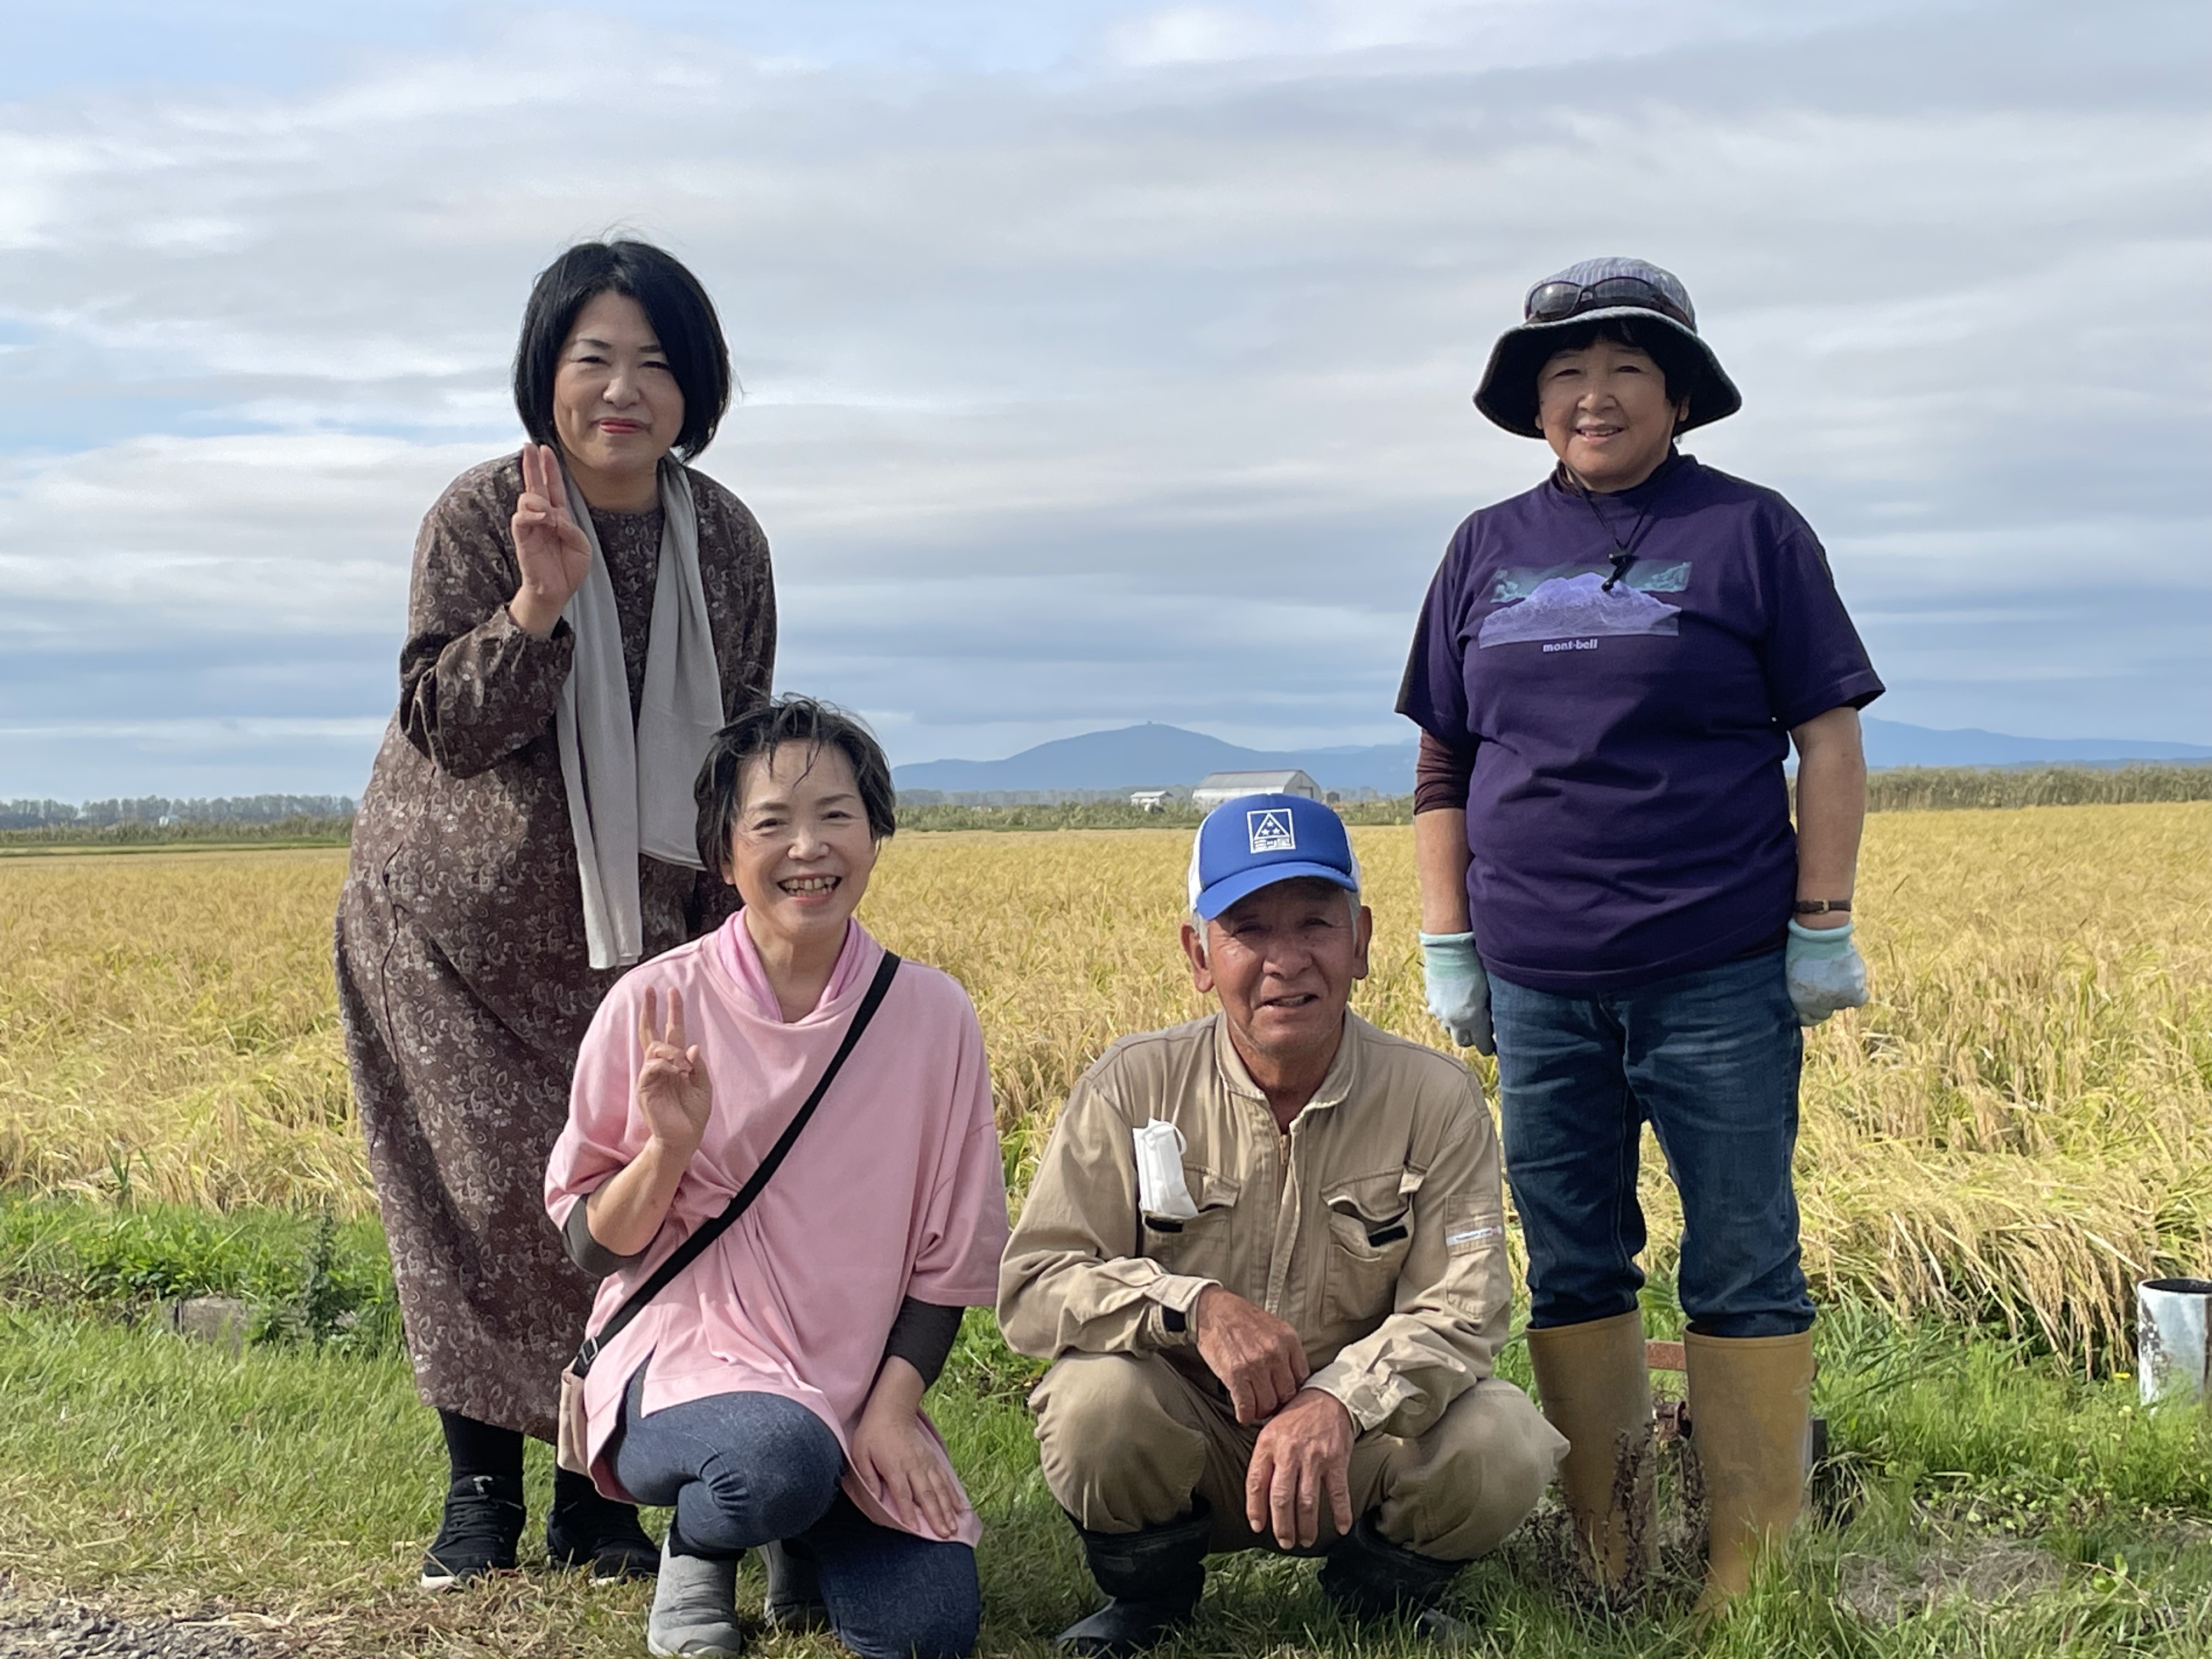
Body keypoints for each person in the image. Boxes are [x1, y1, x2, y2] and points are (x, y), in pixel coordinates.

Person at [1397, 257, 1882, 1609]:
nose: (1593, 395)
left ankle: (1749, 1567)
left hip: (1720, 967)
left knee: (1742, 1251)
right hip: (1541, 981)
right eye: (1566, 373)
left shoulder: (1752, 532)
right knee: (1571, 1255)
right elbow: (1445, 763)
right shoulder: (1483, 549)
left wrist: (1820, 922)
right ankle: (1611, 1550)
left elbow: (1828, 736)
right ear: (1534, 403)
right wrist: (1453, 941)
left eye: (1625, 370)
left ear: (1678, 393)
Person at [334, 238, 776, 1587]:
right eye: (594, 359)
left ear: (695, 389)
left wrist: (734, 932)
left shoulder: (727, 540)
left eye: (654, 363)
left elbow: (741, 753)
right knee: (472, 1210)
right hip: (450, 938)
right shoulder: (481, 516)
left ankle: (600, 1498)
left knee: (625, 1201)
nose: (622, 390)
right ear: (548, 376)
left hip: (642, 946)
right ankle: (480, 1496)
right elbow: (445, 727)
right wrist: (537, 603)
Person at [999, 794, 1566, 1655]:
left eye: (1316, 922)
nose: (1286, 960)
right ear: (1199, 954)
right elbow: (1037, 1283)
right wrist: (1193, 1307)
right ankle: (1150, 1605)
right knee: (1094, 1402)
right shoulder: (1131, 1086)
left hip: (1359, 1448)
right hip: (1192, 1436)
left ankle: (1374, 1598)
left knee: (1505, 1439)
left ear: (1363, 940)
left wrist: (1341, 1399)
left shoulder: (1434, 1099)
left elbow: (1466, 1311)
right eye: (1248, 929)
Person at [546, 697, 1009, 1659]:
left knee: (927, 1632)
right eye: (772, 823)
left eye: (838, 815)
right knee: (771, 1456)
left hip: (846, 1391)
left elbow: (950, 1257)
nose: (810, 848)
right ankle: (700, 1547)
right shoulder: (657, 1004)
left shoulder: (931, 1016)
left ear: (875, 835)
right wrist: (667, 1151)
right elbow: (591, 1243)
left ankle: (799, 1527)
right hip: (683, 1372)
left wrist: (889, 1409)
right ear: (724, 854)